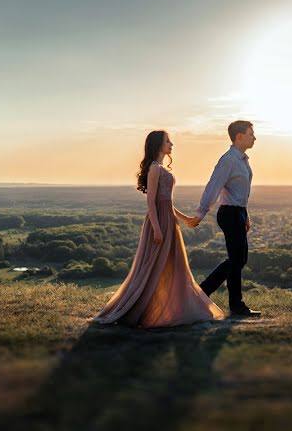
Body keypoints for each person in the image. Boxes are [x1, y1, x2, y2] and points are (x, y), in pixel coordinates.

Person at [88, 130, 224, 327]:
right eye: (168, 141)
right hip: (158, 222)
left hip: (169, 221)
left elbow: (167, 202)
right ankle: (137, 309)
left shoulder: (161, 167)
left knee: (173, 265)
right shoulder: (154, 168)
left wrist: (185, 218)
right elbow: (151, 202)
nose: (171, 144)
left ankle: (169, 308)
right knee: (152, 266)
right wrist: (157, 228)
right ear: (158, 144)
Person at [188, 120, 261, 317]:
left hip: (237, 213)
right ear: (239, 136)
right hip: (229, 214)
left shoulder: (242, 160)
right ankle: (234, 305)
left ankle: (202, 292)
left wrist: (245, 214)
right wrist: (200, 214)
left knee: (239, 259)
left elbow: (241, 193)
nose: (255, 137)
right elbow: (214, 186)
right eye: (251, 134)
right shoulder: (228, 160)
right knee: (237, 260)